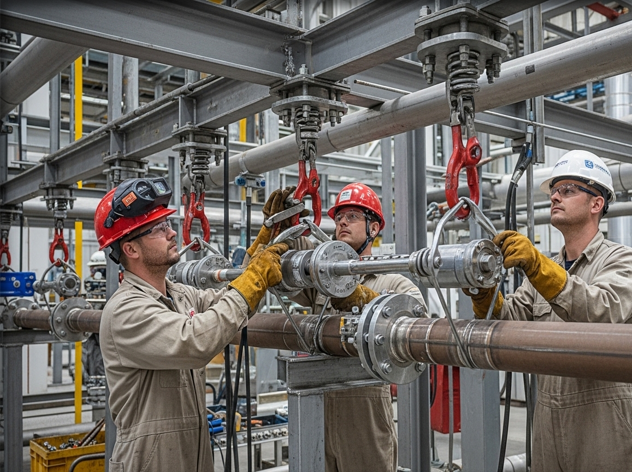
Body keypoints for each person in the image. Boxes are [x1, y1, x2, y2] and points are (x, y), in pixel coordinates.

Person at [466, 150, 632, 471]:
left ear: (597, 204)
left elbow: (601, 312)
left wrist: (538, 265)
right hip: (548, 413)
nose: (555, 196)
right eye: (554, 190)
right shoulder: (547, 270)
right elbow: (504, 323)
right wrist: (482, 290)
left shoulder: (623, 260)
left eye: (567, 190)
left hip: (605, 417)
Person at [95, 177, 287, 472]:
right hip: (150, 462)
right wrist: (255, 277)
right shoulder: (125, 310)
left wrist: (265, 242)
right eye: (158, 228)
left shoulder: (178, 295)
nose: (172, 232)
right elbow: (195, 340)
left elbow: (229, 301)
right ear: (131, 249)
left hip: (193, 456)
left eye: (167, 224)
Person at [257, 183, 423, 472]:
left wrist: (362, 299)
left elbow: (418, 335)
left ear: (374, 229)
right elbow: (281, 276)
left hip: (364, 410)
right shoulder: (322, 282)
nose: (342, 222)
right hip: (317, 403)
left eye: (353, 216)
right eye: (339, 217)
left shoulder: (393, 283)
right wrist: (282, 230)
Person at [82, 250, 107, 380]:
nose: (93, 275)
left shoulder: (115, 291)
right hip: (91, 340)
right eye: (92, 270)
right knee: (90, 359)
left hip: (103, 339)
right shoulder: (91, 291)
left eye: (96, 270)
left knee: (101, 364)